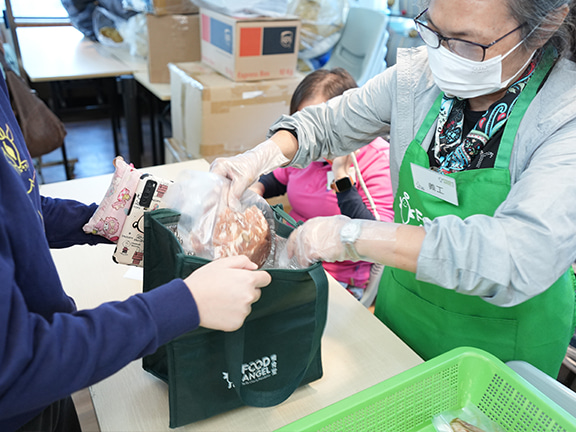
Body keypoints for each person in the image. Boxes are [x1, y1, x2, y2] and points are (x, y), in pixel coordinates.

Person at [211, 0, 576, 377]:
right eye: (434, 30)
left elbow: (518, 256)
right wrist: (260, 156)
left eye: (468, 43)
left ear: (545, 24)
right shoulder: (419, 76)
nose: (445, 54)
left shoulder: (564, 116)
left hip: (501, 342)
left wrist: (353, 235)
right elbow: (328, 124)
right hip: (404, 308)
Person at [0, 75, 271, 431]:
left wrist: (107, 220)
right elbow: (16, 366)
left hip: (51, 379)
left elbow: (20, 200)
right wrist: (187, 303)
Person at [251, 68, 394, 300]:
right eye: (301, 125)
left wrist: (341, 176)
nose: (308, 137)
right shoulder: (306, 151)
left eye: (317, 126)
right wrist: (256, 188)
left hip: (336, 277)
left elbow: (374, 240)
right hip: (290, 257)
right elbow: (278, 180)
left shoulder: (377, 159)